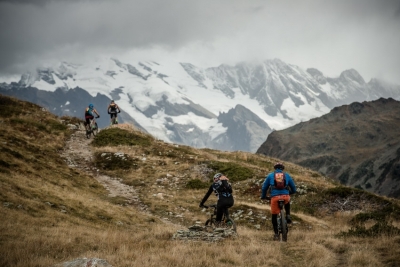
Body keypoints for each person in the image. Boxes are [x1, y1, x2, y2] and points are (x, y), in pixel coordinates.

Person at [260, 162, 296, 241]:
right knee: (287, 201)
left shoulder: (270, 175)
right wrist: (291, 192)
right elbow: (293, 187)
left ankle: (276, 234)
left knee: (274, 215)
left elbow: (264, 188)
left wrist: (263, 197)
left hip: (274, 198)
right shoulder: (286, 175)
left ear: (275, 168)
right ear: (282, 169)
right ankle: (288, 215)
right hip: (285, 196)